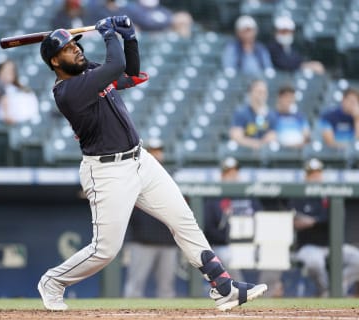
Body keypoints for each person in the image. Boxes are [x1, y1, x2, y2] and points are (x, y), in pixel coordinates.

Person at [36, 15, 267, 312]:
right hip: (107, 171)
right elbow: (115, 66)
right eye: (69, 48)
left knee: (183, 219)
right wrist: (109, 35)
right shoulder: (67, 92)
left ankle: (224, 287)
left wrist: (129, 38)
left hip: (140, 160)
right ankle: (53, 281)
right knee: (105, 250)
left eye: (76, 45)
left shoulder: (87, 72)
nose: (77, 50)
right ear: (55, 62)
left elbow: (129, 73)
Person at [288, 158, 359, 296]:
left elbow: (334, 217)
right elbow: (295, 222)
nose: (315, 177)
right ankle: (325, 290)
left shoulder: (329, 193)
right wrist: (318, 220)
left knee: (357, 259)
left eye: (317, 174)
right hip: (308, 245)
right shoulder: (298, 194)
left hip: (333, 246)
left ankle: (338, 287)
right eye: (311, 174)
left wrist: (312, 221)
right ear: (306, 176)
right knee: (315, 262)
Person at [123, 139, 179, 298]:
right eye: (152, 151)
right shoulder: (133, 175)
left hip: (168, 241)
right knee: (134, 287)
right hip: (142, 241)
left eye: (159, 150)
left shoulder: (173, 176)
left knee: (166, 290)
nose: (157, 154)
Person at [203, 157, 262, 281]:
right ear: (222, 175)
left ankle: (266, 293)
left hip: (251, 244)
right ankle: (242, 290)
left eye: (234, 173)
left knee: (271, 257)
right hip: (224, 245)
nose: (232, 176)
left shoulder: (248, 193)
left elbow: (260, 220)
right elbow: (209, 228)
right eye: (228, 173)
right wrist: (228, 238)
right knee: (228, 256)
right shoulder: (213, 196)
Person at [229, 79, 277, 149]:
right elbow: (236, 136)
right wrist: (256, 143)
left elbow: (273, 135)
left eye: (264, 92)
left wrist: (260, 143)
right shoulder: (241, 113)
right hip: (244, 153)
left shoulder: (271, 115)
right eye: (259, 92)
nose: (262, 95)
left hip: (265, 155)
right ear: (250, 93)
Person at [0, 59, 40, 124]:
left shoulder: (24, 91)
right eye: (4, 71)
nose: (6, 74)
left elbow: (33, 112)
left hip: (21, 124)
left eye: (10, 71)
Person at [125, 0, 193, 38]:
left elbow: (172, 20)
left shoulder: (163, 11)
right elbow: (144, 23)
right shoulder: (131, 8)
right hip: (141, 40)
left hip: (163, 37)